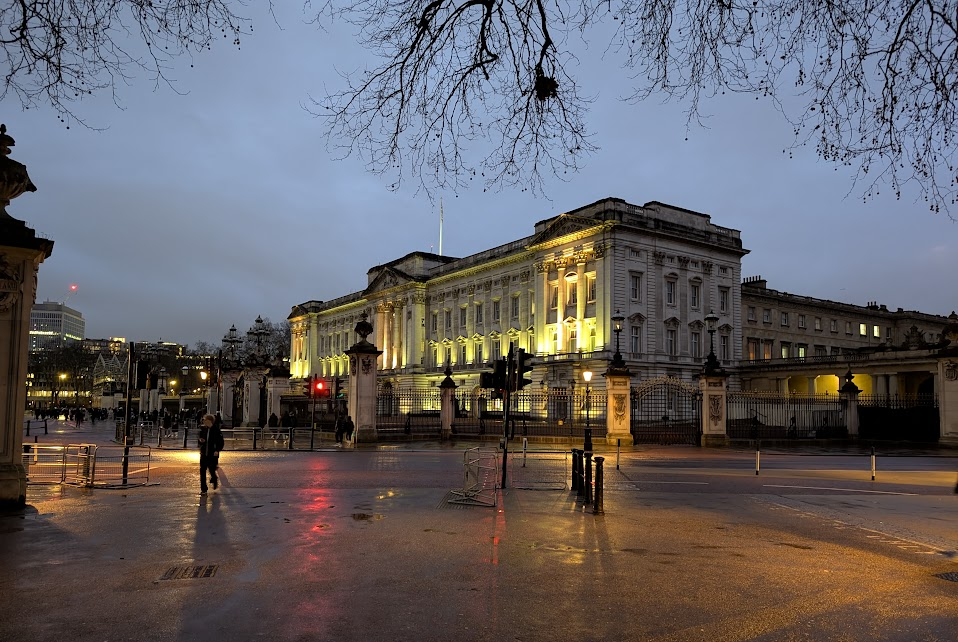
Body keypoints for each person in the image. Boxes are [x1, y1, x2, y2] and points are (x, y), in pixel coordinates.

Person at [198, 413, 224, 495]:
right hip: (203, 453)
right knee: (202, 471)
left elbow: (220, 442)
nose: (204, 421)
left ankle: (214, 478)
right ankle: (203, 489)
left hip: (212, 454)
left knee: (212, 469)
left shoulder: (216, 430)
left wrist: (217, 450)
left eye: (205, 420)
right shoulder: (203, 429)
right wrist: (200, 441)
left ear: (210, 421)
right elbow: (199, 441)